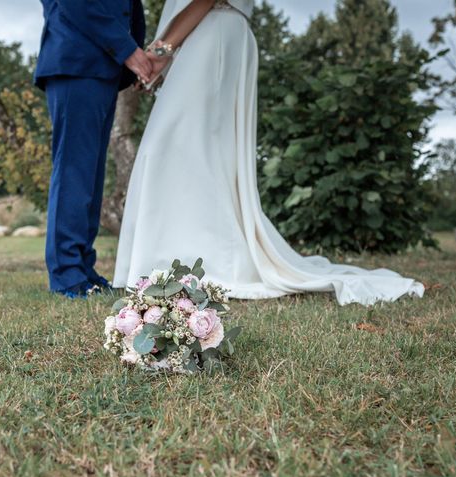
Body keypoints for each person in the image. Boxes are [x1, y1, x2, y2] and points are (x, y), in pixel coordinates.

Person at [113, 0, 425, 306]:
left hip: (212, 33)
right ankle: (176, 259)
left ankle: (202, 261)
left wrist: (160, 51)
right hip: (204, 35)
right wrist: (169, 51)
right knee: (190, 150)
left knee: (184, 149)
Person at [34, 0, 148, 298]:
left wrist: (133, 54)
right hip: (76, 60)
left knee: (91, 176)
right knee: (74, 171)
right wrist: (128, 50)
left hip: (103, 66)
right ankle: (66, 274)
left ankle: (83, 267)